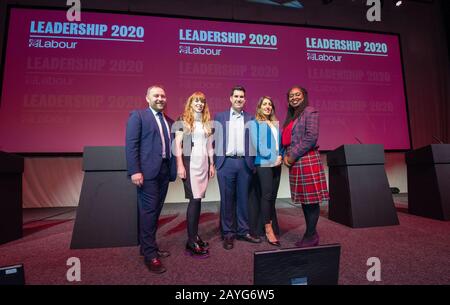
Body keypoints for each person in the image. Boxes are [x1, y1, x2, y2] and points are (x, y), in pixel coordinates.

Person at [125, 85, 177, 274]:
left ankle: (149, 246)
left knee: (155, 212)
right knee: (148, 213)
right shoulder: (138, 116)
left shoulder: (169, 121)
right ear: (147, 98)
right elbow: (131, 145)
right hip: (146, 173)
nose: (160, 98)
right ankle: (150, 255)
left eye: (163, 95)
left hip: (163, 171)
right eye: (156, 95)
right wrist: (135, 171)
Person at [214, 85, 261, 250]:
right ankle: (228, 233)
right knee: (227, 200)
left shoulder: (251, 118)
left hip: (244, 163)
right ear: (230, 98)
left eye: (241, 97)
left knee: (243, 199)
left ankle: (243, 231)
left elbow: (256, 142)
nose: (239, 99)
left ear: (245, 99)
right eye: (236, 96)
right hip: (225, 163)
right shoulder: (219, 117)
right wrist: (215, 162)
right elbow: (213, 140)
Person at [282, 86, 329, 248]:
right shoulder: (292, 116)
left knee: (311, 201)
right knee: (305, 201)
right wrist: (284, 156)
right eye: (291, 96)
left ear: (304, 96)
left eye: (297, 95)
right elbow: (287, 140)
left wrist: (292, 155)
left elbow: (311, 138)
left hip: (306, 160)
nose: (294, 97)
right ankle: (311, 233)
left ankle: (310, 235)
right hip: (296, 163)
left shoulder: (310, 111)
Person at [174, 92, 215, 258]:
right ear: (190, 103)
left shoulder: (207, 123)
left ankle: (194, 236)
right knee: (194, 199)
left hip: (203, 163)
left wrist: (212, 164)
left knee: (198, 200)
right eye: (196, 101)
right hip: (190, 164)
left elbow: (210, 146)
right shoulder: (181, 120)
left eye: (202, 101)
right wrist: (179, 165)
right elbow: (177, 145)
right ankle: (191, 241)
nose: (199, 104)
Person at [249, 96, 283, 247]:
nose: (268, 106)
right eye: (265, 104)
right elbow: (258, 145)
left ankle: (269, 225)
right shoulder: (255, 123)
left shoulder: (275, 124)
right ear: (259, 107)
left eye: (270, 104)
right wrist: (272, 158)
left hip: (277, 163)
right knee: (267, 196)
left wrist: (280, 155)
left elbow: (280, 144)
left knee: (273, 197)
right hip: (263, 163)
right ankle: (268, 229)